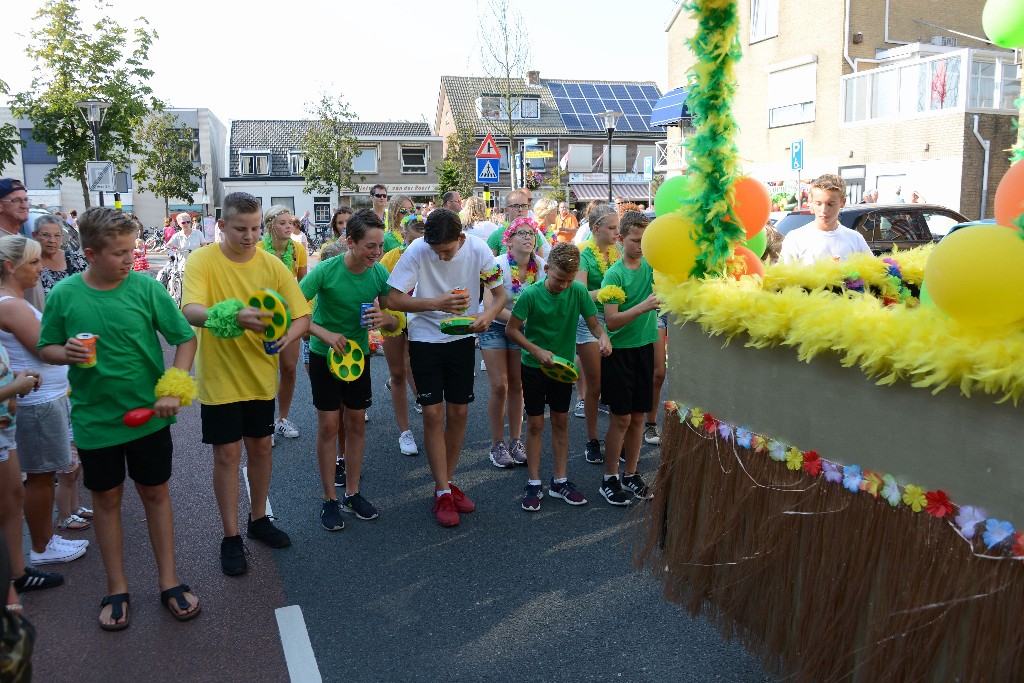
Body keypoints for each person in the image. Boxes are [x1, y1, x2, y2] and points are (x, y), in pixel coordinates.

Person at [39, 207, 201, 630]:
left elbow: (185, 339)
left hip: (149, 417)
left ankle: (169, 580)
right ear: (90, 253)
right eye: (119, 253)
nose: (131, 258)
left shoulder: (146, 290)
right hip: (95, 420)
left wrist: (172, 387)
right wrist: (65, 352)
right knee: (107, 501)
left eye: (132, 249)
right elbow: (46, 348)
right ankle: (117, 587)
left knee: (155, 495)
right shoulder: (65, 295)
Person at [181, 192, 311, 576]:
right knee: (226, 456)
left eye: (255, 228)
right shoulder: (202, 260)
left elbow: (302, 314)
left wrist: (286, 338)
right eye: (241, 228)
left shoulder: (272, 265)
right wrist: (232, 316)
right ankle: (230, 535)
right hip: (219, 377)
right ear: (221, 226)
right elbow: (191, 310)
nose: (250, 236)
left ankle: (258, 520)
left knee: (261, 451)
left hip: (259, 377)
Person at [381, 208, 507, 527]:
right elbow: (392, 299)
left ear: (461, 238)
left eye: (447, 250)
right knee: (433, 413)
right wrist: (434, 303)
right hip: (424, 337)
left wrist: (487, 317)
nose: (441, 256)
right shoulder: (418, 250)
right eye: (435, 251)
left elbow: (500, 294)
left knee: (460, 412)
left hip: (462, 337)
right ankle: (441, 490)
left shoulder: (478, 248)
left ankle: (446, 485)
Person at [301, 210, 400, 529]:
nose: (376, 252)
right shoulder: (326, 270)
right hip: (323, 356)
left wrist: (387, 320)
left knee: (356, 423)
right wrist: (325, 334)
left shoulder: (377, 274)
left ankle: (353, 493)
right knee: (330, 426)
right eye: (370, 246)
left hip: (357, 359)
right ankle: (329, 498)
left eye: (380, 246)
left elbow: (396, 318)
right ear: (350, 241)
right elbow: (295, 311)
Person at [0, 235, 90, 573]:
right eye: (34, 262)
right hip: (38, 401)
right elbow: (45, 346)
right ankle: (42, 545)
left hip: (43, 398)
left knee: (45, 473)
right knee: (41, 476)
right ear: (11, 266)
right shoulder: (10, 304)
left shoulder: (14, 301)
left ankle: (43, 541)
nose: (41, 267)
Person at [506, 242, 611, 511]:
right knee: (535, 424)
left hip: (563, 368)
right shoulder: (531, 294)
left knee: (562, 421)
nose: (563, 285)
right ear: (547, 268)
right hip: (534, 365)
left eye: (568, 280)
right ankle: (533, 481)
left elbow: (594, 323)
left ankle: (560, 480)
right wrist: (536, 350)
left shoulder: (577, 290)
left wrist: (603, 336)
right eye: (558, 279)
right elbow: (512, 329)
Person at [32, 216, 91, 533]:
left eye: (57, 235)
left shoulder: (74, 259)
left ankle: (71, 506)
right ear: (35, 236)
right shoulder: (31, 272)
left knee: (72, 451)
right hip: (53, 366)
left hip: (77, 349)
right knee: (62, 455)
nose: (53, 240)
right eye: (46, 235)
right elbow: (40, 339)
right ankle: (62, 517)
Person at [598, 210, 660, 506]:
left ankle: (631, 473)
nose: (641, 246)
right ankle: (609, 477)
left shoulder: (652, 266)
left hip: (644, 348)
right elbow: (611, 322)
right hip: (619, 353)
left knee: (638, 418)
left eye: (646, 240)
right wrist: (643, 307)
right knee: (620, 418)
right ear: (621, 240)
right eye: (636, 240)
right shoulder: (615, 274)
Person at [480, 217, 545, 469]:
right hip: (495, 327)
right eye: (522, 233)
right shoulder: (496, 265)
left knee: (518, 385)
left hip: (522, 330)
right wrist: (520, 321)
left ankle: (516, 441)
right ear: (509, 241)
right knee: (499, 385)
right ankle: (497, 444)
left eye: (531, 233)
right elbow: (489, 305)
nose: (528, 237)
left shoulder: (540, 266)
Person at [256, 205, 309, 440]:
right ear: (270, 225)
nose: (289, 227)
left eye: (291, 222)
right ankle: (264, 423)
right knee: (264, 369)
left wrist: (307, 318)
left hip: (290, 317)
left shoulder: (298, 250)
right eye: (283, 223)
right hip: (263, 317)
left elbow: (304, 285)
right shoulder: (257, 250)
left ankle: (282, 419)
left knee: (288, 368)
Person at [574, 205, 619, 464]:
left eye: (617, 228)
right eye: (611, 228)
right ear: (595, 229)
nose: (616, 233)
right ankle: (592, 439)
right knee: (595, 385)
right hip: (589, 320)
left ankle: (617, 436)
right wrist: (608, 292)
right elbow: (580, 294)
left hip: (614, 320)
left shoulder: (619, 251)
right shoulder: (583, 254)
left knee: (615, 384)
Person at [379, 215, 426, 456]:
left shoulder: (433, 255)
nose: (417, 247)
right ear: (404, 238)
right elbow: (381, 291)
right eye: (412, 241)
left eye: (422, 241)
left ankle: (430, 416)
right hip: (395, 317)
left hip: (424, 318)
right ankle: (405, 432)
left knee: (422, 368)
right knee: (397, 372)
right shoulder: (391, 257)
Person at [779, 174, 871, 265]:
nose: (824, 210)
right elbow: (784, 277)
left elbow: (872, 274)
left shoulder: (855, 239)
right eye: (818, 203)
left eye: (830, 204)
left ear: (842, 202)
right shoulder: (795, 238)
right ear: (811, 201)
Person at [486, 191, 550, 259]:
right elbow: (489, 266)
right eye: (515, 206)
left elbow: (541, 265)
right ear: (506, 210)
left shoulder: (533, 234)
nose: (520, 209)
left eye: (524, 206)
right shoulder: (496, 236)